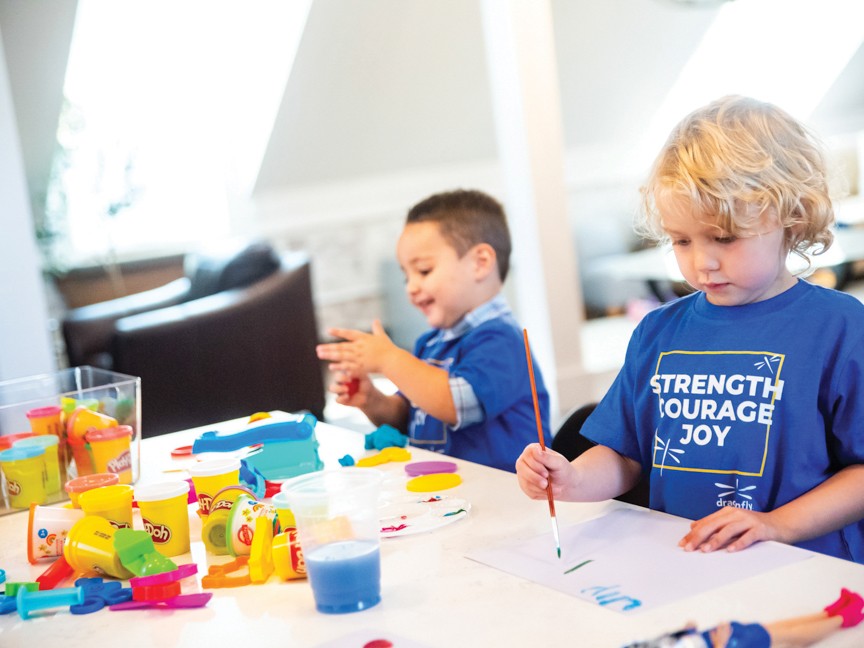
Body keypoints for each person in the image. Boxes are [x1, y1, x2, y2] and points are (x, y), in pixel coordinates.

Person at [516, 95, 864, 562]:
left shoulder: (840, 328)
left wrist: (775, 524)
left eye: (725, 238)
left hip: (804, 568)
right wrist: (571, 478)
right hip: (681, 566)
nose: (702, 262)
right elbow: (626, 456)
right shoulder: (658, 331)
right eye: (681, 240)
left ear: (792, 218)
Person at [316, 189, 551, 472]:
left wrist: (390, 359)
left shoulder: (502, 340)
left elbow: (455, 405)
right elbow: (410, 417)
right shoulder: (431, 343)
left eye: (424, 270)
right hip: (446, 493)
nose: (411, 287)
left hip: (508, 497)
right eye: (406, 275)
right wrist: (374, 401)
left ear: (480, 263)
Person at [626, 588, 864, 647]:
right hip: (728, 643)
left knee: (772, 627)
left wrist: (687, 631)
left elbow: (669, 640)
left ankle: (827, 613)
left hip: (712, 636)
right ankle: (842, 619)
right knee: (787, 636)